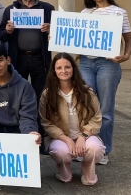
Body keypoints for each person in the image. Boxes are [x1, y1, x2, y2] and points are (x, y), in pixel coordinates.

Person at [77, 0, 131, 165]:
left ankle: (103, 150)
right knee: (86, 106)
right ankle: (82, 147)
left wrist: (125, 56)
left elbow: (129, 39)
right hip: (86, 63)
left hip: (108, 64)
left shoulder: (119, 13)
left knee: (106, 109)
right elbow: (80, 37)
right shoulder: (86, 13)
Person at [40, 53, 104, 185]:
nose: (63, 71)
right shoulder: (47, 95)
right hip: (61, 138)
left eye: (67, 67)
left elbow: (97, 118)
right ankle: (64, 170)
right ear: (54, 71)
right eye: (59, 68)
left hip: (84, 135)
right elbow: (46, 122)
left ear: (73, 69)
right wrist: (67, 139)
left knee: (96, 148)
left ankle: (87, 169)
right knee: (60, 151)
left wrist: (83, 136)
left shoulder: (86, 92)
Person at [0, 0, 55, 103]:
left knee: (41, 94)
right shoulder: (10, 10)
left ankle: (38, 122)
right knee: (17, 92)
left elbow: (59, 35)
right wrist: (8, 31)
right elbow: (1, 35)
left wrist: (51, 30)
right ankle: (18, 122)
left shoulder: (48, 9)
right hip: (18, 58)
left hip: (40, 58)